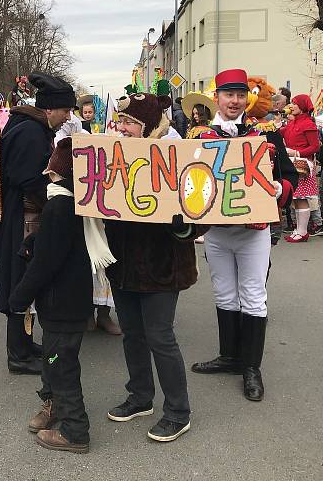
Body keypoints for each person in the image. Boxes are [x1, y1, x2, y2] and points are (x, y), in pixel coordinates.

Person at [191, 69, 297, 402]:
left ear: (247, 98)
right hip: (219, 233)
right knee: (224, 294)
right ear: (217, 98)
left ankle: (251, 367)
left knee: (252, 295)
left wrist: (279, 188)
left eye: (240, 95)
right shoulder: (199, 135)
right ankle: (229, 357)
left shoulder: (266, 133)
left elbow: (289, 176)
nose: (234, 101)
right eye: (228, 95)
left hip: (254, 232)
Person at [103, 92, 201, 443]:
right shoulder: (112, 155)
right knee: (132, 334)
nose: (122, 128)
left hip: (162, 265)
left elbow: (201, 209)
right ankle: (141, 396)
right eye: (120, 121)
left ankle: (178, 411)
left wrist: (181, 222)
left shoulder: (175, 157)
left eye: (129, 123)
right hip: (124, 263)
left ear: (146, 127)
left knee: (160, 336)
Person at [9, 137, 93, 454]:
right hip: (68, 302)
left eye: (53, 173)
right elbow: (55, 245)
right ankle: (53, 405)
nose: (47, 176)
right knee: (54, 356)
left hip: (62, 303)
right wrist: (35, 241)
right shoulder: (71, 203)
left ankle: (75, 430)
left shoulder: (59, 206)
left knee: (61, 363)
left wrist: (19, 297)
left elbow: (47, 264)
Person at [0, 72, 75, 375]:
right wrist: (58, 201)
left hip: (23, 217)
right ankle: (18, 355)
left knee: (26, 281)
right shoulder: (30, 132)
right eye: (65, 111)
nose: (68, 117)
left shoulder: (31, 128)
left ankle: (25, 345)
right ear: (50, 109)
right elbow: (27, 178)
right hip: (18, 220)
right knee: (20, 283)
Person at [279, 95, 321, 242]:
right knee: (296, 198)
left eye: (295, 104)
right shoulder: (293, 122)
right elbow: (281, 133)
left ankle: (302, 231)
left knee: (300, 198)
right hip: (293, 163)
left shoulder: (308, 124)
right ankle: (299, 229)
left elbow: (315, 146)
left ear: (302, 106)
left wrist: (297, 152)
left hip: (302, 165)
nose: (292, 106)